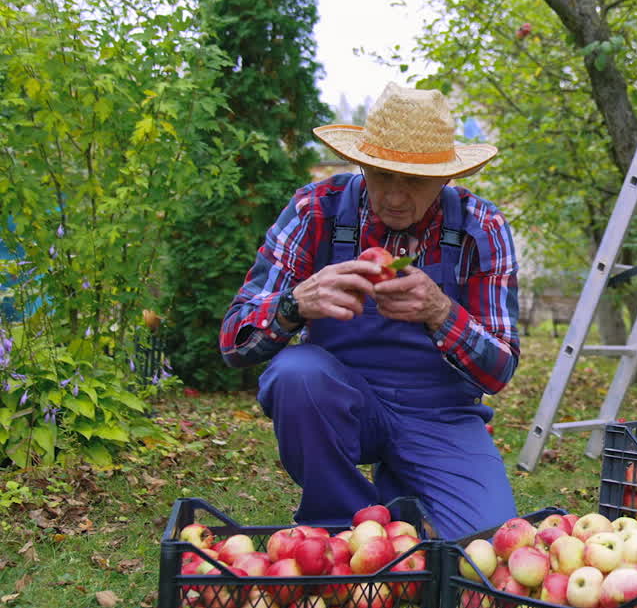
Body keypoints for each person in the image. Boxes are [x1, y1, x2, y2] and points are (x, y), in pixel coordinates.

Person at [219, 83, 520, 539]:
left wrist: (441, 311)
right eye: (381, 175)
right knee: (296, 374)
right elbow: (234, 342)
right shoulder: (315, 210)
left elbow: (498, 371)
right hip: (342, 399)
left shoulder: (482, 228)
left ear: (446, 177)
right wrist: (294, 304)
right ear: (361, 163)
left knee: (487, 546)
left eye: (415, 180)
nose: (395, 197)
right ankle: (347, 520)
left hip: (440, 416)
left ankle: (404, 496)